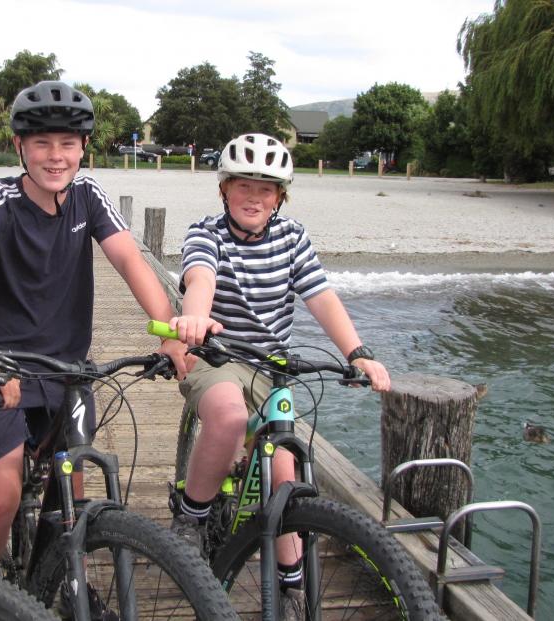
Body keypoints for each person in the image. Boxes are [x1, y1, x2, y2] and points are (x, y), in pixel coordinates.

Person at [0, 80, 189, 575]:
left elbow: (130, 259)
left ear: (84, 147)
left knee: (71, 485)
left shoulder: (87, 196)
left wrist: (167, 332)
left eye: (68, 143)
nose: (55, 156)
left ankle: (55, 580)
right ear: (20, 146)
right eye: (41, 142)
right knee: (0, 493)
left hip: (67, 369)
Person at [167, 133, 392, 618]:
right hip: (217, 356)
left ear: (280, 197)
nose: (254, 196)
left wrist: (358, 352)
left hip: (272, 367)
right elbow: (200, 278)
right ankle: (191, 516)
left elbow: (321, 297)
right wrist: (196, 318)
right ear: (224, 189)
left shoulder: (292, 238)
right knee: (227, 417)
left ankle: (292, 589)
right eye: (243, 185)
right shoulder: (206, 232)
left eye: (266, 188)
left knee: (282, 470)